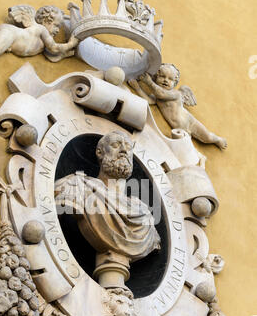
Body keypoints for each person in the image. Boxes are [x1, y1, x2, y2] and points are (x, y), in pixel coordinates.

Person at [55, 130, 161, 289]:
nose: (124, 150)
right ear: (100, 152)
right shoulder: (77, 186)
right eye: (116, 145)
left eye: (127, 146)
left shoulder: (143, 213)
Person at [128, 63, 227, 150]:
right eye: (162, 76)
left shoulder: (176, 93)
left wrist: (149, 82)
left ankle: (218, 140)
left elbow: (161, 94)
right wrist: (137, 88)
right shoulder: (157, 97)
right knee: (187, 148)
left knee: (207, 137)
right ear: (156, 77)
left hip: (190, 121)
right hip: (180, 129)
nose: (166, 80)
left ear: (175, 83)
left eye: (170, 79)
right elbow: (149, 100)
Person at [0, 5, 79, 62]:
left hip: (10, 35)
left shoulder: (42, 44)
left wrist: (66, 54)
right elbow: (54, 47)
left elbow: (53, 55)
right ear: (46, 21)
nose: (58, 30)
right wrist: (71, 43)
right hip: (12, 34)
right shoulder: (41, 29)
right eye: (56, 25)